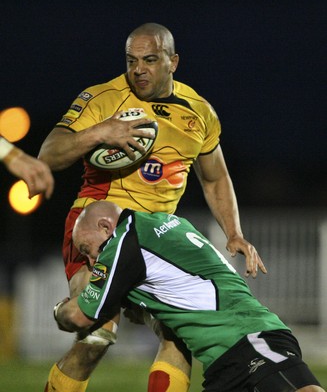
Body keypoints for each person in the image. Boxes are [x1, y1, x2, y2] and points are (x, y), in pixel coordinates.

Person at [38, 23, 265, 392]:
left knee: (178, 335)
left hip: (157, 236)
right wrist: (99, 132)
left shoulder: (200, 113)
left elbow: (214, 178)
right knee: (96, 333)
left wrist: (234, 232)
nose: (138, 69)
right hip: (101, 227)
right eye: (131, 61)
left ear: (172, 62)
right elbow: (49, 154)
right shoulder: (102, 98)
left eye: (149, 60)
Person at [53, 200, 325, 392]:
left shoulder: (124, 243)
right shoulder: (167, 222)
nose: (91, 261)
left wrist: (59, 311)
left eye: (87, 248)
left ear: (105, 226)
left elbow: (79, 316)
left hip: (247, 339)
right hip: (223, 365)